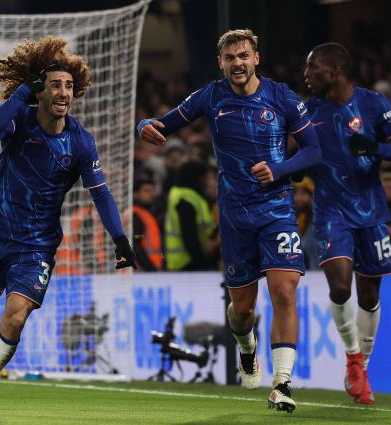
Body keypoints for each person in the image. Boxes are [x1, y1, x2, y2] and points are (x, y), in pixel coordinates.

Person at [138, 29, 321, 413]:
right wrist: (145, 126)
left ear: (257, 58)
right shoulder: (211, 96)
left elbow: (314, 152)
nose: (237, 63)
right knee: (243, 311)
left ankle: (283, 384)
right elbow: (164, 123)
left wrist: (280, 168)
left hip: (277, 210)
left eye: (243, 56)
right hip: (235, 216)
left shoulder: (282, 97)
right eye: (230, 58)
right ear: (220, 63)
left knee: (285, 291)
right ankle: (246, 347)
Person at [0, 36, 136, 415]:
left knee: (17, 313)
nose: (64, 92)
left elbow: (101, 194)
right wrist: (22, 93)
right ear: (41, 89)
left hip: (37, 245)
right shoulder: (19, 120)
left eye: (69, 86)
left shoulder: (81, 142)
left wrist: (120, 239)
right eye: (55, 84)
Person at [303, 42, 391, 405]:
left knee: (369, 296)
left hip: (370, 213)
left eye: (314, 69)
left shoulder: (372, 104)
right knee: (340, 287)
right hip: (330, 212)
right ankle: (353, 356)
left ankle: (362, 368)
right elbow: (298, 153)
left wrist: (375, 148)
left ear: (335, 71)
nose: (307, 75)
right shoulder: (308, 110)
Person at [164, 160, 219, 271]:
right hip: (187, 262)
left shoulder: (188, 196)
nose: (207, 182)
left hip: (185, 260)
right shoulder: (186, 199)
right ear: (197, 178)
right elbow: (189, 235)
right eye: (205, 177)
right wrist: (200, 262)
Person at [132, 178, 163, 271]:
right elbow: (135, 245)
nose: (151, 194)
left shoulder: (148, 213)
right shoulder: (135, 215)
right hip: (142, 270)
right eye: (146, 191)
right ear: (136, 194)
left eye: (153, 190)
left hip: (151, 268)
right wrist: (151, 269)